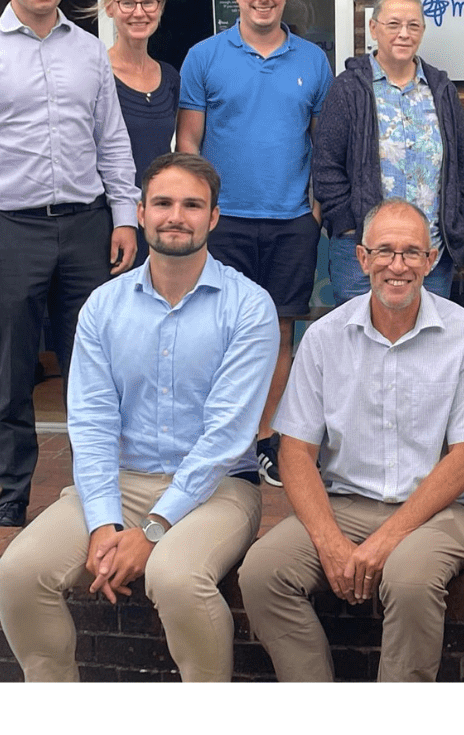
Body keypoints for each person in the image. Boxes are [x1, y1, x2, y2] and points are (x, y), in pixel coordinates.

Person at [0, 153, 280, 681]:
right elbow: (92, 423)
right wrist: (105, 522)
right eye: (164, 203)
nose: (177, 215)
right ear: (141, 212)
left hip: (217, 489)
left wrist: (151, 531)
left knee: (177, 578)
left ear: (213, 218)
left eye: (192, 205)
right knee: (18, 572)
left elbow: (227, 435)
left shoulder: (249, 306)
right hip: (120, 483)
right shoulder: (103, 307)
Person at [238, 198, 464, 682]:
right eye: (384, 251)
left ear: (431, 260)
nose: (396, 266)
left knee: (410, 581)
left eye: (410, 253)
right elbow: (295, 451)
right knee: (261, 574)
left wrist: (386, 540)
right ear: (362, 259)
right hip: (343, 502)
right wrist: (330, 543)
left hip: (437, 511)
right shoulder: (324, 336)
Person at [0, 0, 139, 529]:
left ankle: (95, 496)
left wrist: (125, 216)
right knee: (11, 369)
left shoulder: (88, 50)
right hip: (13, 228)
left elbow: (111, 139)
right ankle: (9, 497)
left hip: (86, 225)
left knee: (93, 368)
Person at [177, 0, 331, 487]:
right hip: (226, 220)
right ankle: (221, 440)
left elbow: (322, 141)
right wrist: (197, 209)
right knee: (215, 330)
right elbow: (190, 140)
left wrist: (318, 197)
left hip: (291, 219)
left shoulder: (313, 60)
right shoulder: (204, 57)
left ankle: (265, 440)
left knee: (279, 330)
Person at [312, 0, 464, 306]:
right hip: (363, 253)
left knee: (426, 347)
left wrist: (458, 218)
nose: (404, 33)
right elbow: (326, 165)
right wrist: (349, 224)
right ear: (373, 28)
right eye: (393, 24)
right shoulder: (349, 88)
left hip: (429, 254)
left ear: (423, 31)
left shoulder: (440, 91)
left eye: (413, 25)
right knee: (358, 346)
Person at [97, 0, 179, 265]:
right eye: (127, 3)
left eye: (148, 2)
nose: (139, 12)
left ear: (159, 8)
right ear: (109, 8)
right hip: (106, 222)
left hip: (158, 220)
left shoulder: (170, 78)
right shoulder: (96, 73)